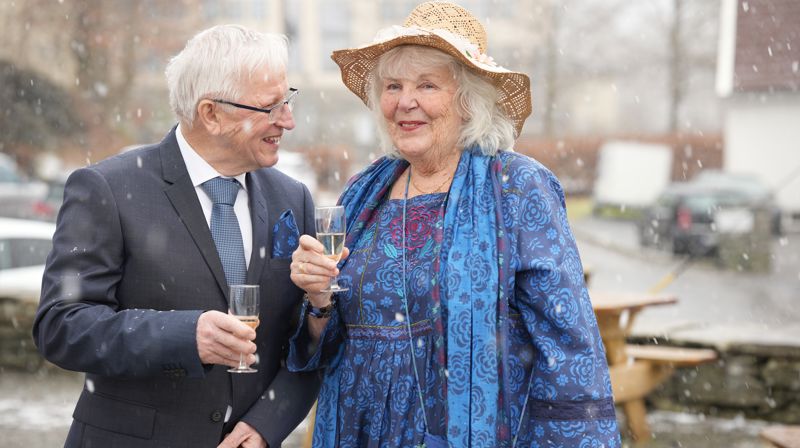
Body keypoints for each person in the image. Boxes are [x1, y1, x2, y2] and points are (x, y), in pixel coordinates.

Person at [287, 2, 620, 447]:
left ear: (469, 101)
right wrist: (319, 301)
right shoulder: (363, 191)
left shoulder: (518, 188)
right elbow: (325, 347)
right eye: (393, 86)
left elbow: (568, 346)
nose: (406, 102)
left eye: (427, 85)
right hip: (358, 431)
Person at [33, 24, 319, 448]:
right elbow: (61, 327)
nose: (288, 120)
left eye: (287, 100)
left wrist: (266, 425)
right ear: (211, 114)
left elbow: (306, 344)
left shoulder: (292, 198)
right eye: (270, 107)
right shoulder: (107, 189)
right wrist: (186, 337)